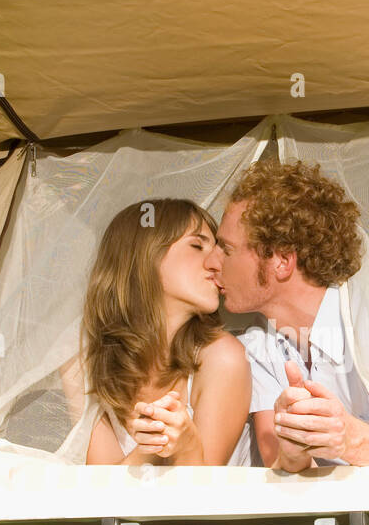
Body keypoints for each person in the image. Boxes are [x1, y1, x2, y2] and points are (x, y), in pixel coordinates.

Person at [210, 160, 369, 472]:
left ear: (282, 260)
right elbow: (278, 465)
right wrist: (294, 455)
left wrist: (351, 440)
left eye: (226, 249)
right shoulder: (257, 344)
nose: (212, 263)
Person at [61, 199, 251, 466]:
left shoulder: (224, 357)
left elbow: (200, 498)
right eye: (197, 245)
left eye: (220, 250)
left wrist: (184, 447)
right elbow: (103, 494)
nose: (215, 263)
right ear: (145, 255)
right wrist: (153, 447)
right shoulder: (80, 359)